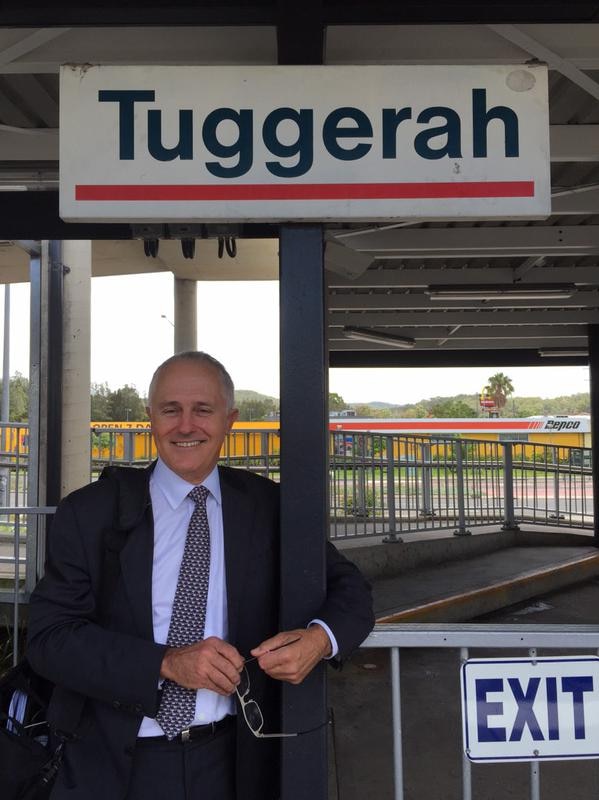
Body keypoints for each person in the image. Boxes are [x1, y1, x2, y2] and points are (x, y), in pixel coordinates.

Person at [26, 351, 374, 800]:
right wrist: (167, 663)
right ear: (150, 417)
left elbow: (352, 590)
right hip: (111, 766)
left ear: (230, 420)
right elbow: (49, 640)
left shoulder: (268, 507)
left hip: (232, 763)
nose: (186, 425)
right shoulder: (90, 512)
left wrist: (319, 640)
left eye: (202, 410)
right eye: (171, 410)